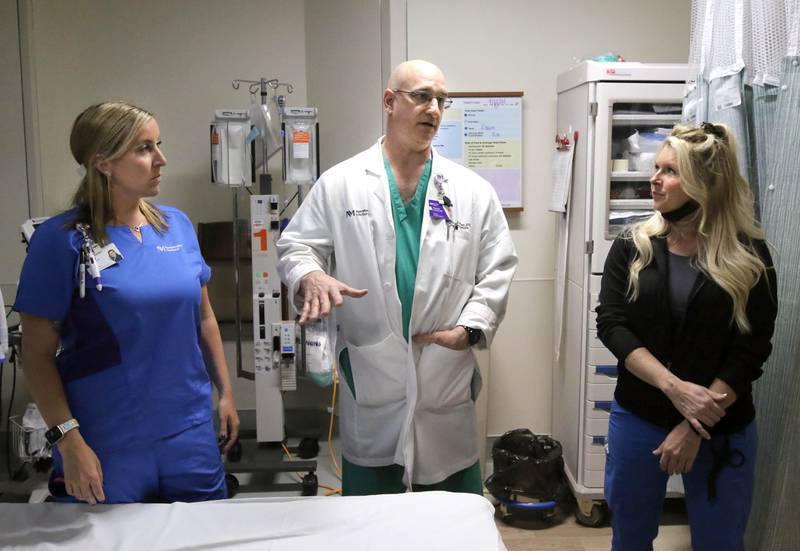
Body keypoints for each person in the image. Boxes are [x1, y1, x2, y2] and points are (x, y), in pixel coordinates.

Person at [277, 60, 518, 495]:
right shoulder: (342, 183)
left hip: (443, 377)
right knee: (371, 523)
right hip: (374, 377)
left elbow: (498, 266)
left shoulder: (471, 191)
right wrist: (311, 275)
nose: (434, 110)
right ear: (389, 102)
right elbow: (296, 246)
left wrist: (471, 328)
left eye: (441, 101)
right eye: (422, 96)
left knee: (451, 521)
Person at [15, 101, 240, 504]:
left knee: (203, 537)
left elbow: (203, 316)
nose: (161, 159)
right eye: (144, 148)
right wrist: (69, 441)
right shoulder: (59, 240)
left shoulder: (176, 225)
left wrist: (225, 392)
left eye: (159, 145)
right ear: (103, 163)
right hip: (104, 439)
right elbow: (35, 354)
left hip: (187, 431)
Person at [597, 122, 777, 550]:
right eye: (656, 168)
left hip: (721, 425)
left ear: (704, 184)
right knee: (630, 538)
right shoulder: (633, 245)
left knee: (720, 541)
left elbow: (751, 350)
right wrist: (674, 389)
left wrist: (694, 424)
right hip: (639, 416)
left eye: (669, 171)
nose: (654, 179)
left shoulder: (749, 256)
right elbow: (612, 324)